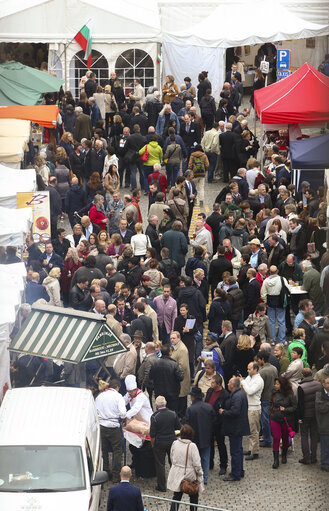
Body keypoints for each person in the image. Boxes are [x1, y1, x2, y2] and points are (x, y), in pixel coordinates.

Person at [95, 379, 126, 482]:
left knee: (103, 451)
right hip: (114, 427)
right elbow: (123, 413)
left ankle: (105, 473)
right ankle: (116, 475)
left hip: (102, 426)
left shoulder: (99, 396)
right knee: (117, 451)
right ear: (117, 387)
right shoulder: (118, 397)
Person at [167, 424, 204, 511]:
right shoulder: (192, 446)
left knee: (176, 497)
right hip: (189, 476)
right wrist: (200, 474)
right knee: (194, 497)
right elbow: (197, 464)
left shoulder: (175, 443)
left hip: (177, 473)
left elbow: (172, 457)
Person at [219, 377, 250, 481]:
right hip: (237, 427)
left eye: (228, 382)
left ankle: (235, 473)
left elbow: (235, 411)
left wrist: (224, 412)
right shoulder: (239, 394)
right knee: (238, 451)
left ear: (233, 385)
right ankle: (239, 471)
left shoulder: (237, 396)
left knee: (235, 451)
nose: (227, 384)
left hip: (235, 428)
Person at [150, 395, 181, 492]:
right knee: (173, 463)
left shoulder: (154, 416)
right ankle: (175, 483)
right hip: (172, 441)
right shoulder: (173, 414)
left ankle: (162, 486)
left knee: (160, 464)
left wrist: (153, 444)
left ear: (156, 405)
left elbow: (152, 434)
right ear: (165, 403)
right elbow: (178, 428)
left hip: (159, 442)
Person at [270, 376, 297, 469]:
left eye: (277, 384)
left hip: (286, 420)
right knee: (276, 438)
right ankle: (276, 460)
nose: (275, 385)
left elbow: (294, 407)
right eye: (275, 384)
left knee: (285, 438)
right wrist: (272, 411)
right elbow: (270, 403)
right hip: (275, 418)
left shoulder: (290, 394)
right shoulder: (274, 393)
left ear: (282, 385)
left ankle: (284, 455)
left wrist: (285, 409)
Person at [297, 367, 323, 465]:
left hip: (305, 415)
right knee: (314, 435)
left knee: (304, 435)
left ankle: (306, 457)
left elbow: (300, 404)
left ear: (302, 375)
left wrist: (300, 417)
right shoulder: (318, 384)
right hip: (315, 414)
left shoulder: (301, 387)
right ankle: (314, 457)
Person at [240, 362, 264, 462]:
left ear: (255, 369)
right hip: (249, 407)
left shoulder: (259, 380)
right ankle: (251, 449)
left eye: (249, 369)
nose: (247, 371)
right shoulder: (250, 377)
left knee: (254, 432)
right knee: (250, 430)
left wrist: (243, 382)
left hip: (254, 408)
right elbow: (245, 389)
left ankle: (255, 452)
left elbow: (249, 391)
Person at [149, 344, 184, 413]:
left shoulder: (155, 363)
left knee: (160, 411)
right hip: (172, 393)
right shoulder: (174, 364)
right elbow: (180, 377)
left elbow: (150, 376)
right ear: (170, 353)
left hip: (159, 392)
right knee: (172, 412)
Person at [261, 265, 289, 345]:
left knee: (271, 322)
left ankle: (272, 340)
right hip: (280, 301)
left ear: (269, 272)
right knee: (281, 321)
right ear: (277, 271)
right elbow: (287, 289)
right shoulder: (282, 279)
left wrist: (266, 302)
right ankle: (282, 340)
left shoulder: (266, 281)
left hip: (270, 302)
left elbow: (263, 293)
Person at [256, 350, 278, 448]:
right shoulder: (274, 368)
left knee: (264, 420)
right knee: (270, 418)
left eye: (258, 360)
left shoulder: (262, 372)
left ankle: (267, 439)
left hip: (264, 398)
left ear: (262, 360)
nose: (257, 361)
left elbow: (259, 387)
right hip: (272, 397)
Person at [170, 331, 191, 418]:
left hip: (181, 379)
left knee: (182, 400)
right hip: (177, 379)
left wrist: (172, 372)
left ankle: (182, 418)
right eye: (171, 338)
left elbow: (182, 366)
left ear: (179, 338)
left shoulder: (182, 349)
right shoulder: (174, 347)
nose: (172, 340)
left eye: (174, 338)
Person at [315, 375, 329, 472]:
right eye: (328, 383)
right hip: (324, 425)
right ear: (323, 384)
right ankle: (325, 464)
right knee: (325, 446)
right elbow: (320, 408)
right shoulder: (319, 394)